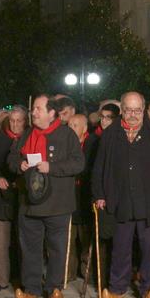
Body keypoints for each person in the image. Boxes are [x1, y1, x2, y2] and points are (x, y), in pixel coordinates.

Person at [92, 91, 150, 298]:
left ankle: (148, 288)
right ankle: (117, 288)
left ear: (144, 110)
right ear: (122, 110)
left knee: (149, 246)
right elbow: (99, 167)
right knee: (120, 247)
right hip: (120, 200)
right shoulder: (110, 134)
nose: (133, 115)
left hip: (149, 200)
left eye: (138, 110)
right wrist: (99, 194)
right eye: (128, 110)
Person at [7, 94, 84, 298]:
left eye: (38, 109)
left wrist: (53, 167)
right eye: (33, 110)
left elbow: (78, 163)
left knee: (57, 248)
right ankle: (31, 289)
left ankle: (54, 288)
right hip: (29, 203)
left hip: (58, 204)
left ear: (52, 113)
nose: (33, 113)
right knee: (30, 248)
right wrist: (19, 165)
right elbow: (11, 158)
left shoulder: (67, 134)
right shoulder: (26, 135)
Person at [0, 105, 27, 293]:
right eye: (12, 120)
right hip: (0, 198)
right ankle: (0, 279)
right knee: (1, 242)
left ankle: (22, 278)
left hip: (24, 198)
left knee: (23, 242)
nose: (15, 124)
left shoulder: (30, 139)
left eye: (19, 121)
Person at [66, 113, 98, 281]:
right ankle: (68, 273)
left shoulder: (93, 143)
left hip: (85, 197)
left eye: (75, 125)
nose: (71, 129)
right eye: (69, 125)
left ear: (84, 128)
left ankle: (87, 272)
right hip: (69, 197)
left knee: (86, 238)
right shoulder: (64, 143)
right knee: (68, 240)